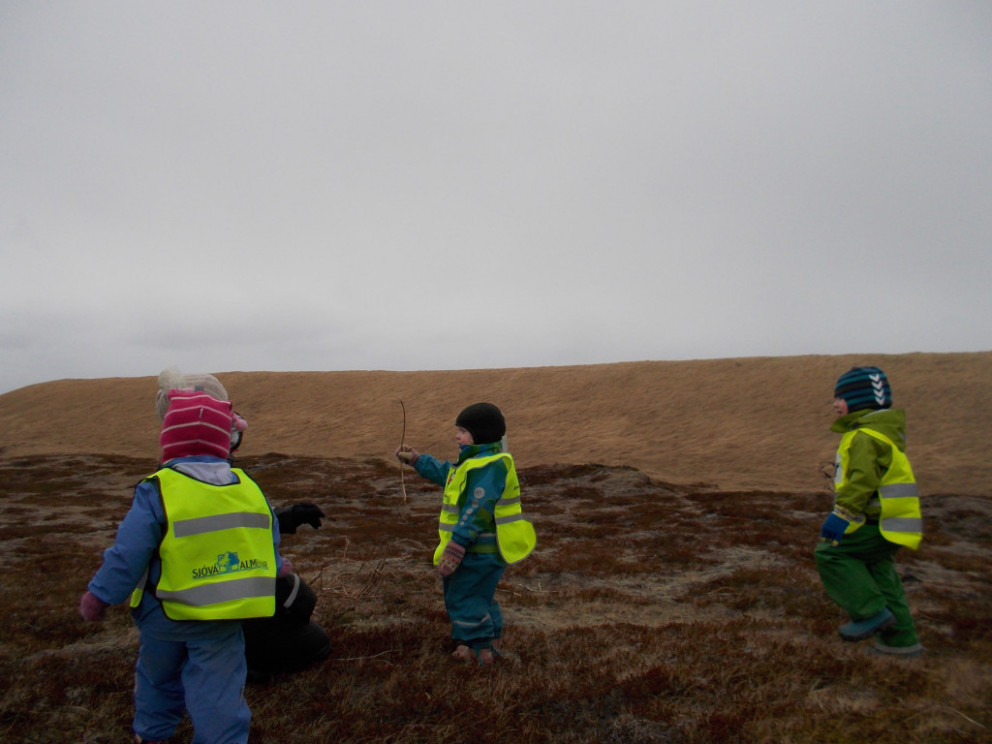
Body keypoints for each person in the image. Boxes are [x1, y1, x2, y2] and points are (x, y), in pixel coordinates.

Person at [79, 373, 293, 744]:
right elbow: (266, 533)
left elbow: (127, 553)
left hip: (163, 615)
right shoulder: (248, 487)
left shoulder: (157, 489)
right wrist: (276, 568)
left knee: (156, 679)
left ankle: (152, 734)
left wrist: (101, 594)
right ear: (225, 441)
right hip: (223, 617)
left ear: (168, 442)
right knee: (219, 691)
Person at [155, 368, 331, 685]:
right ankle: (245, 663)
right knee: (308, 627)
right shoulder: (221, 478)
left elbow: (228, 523)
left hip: (191, 607)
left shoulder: (163, 485)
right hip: (225, 601)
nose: (233, 438)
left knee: (299, 605)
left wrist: (286, 517)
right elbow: (227, 530)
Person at [395, 402, 536, 665]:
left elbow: (477, 508)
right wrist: (417, 460)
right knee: (480, 596)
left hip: (476, 551)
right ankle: (491, 643)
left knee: (464, 597)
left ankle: (478, 651)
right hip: (480, 550)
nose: (457, 436)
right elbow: (448, 474)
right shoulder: (474, 464)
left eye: (462, 431)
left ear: (480, 434)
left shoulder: (490, 466)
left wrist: (457, 544)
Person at [815, 366, 924, 657]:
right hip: (895, 524)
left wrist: (841, 515)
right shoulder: (883, 433)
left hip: (876, 523)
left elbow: (863, 481)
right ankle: (902, 642)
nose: (835, 404)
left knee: (831, 553)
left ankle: (870, 613)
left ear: (860, 400)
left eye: (840, 398)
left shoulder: (864, 436)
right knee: (881, 573)